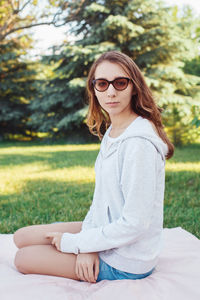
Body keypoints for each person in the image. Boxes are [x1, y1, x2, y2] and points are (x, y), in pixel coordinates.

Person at [13, 50, 174, 283]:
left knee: (24, 258)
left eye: (120, 83)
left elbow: (136, 224)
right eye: (102, 83)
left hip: (126, 259)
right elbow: (102, 200)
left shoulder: (138, 143)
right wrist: (86, 245)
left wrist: (79, 244)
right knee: (21, 237)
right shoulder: (114, 130)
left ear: (134, 86)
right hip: (107, 231)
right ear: (94, 88)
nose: (111, 91)